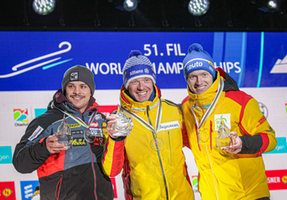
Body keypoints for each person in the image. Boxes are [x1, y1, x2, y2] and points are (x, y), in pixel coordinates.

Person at [181, 43, 277, 200]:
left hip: (248, 194)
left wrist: (243, 143)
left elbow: (271, 139)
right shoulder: (186, 107)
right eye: (193, 76)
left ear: (213, 73)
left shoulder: (240, 101)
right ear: (187, 79)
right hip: (212, 196)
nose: (199, 82)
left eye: (204, 74)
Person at [102, 50, 194, 200]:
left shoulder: (174, 111)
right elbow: (111, 170)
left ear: (153, 81)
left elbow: (200, 146)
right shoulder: (117, 120)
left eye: (146, 80)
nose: (141, 87)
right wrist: (116, 139)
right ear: (126, 85)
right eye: (134, 81)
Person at [13, 65, 114, 200]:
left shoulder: (101, 120)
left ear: (91, 91)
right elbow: (20, 162)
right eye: (71, 86)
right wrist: (44, 147)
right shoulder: (47, 121)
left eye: (83, 86)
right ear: (64, 90)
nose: (77, 91)